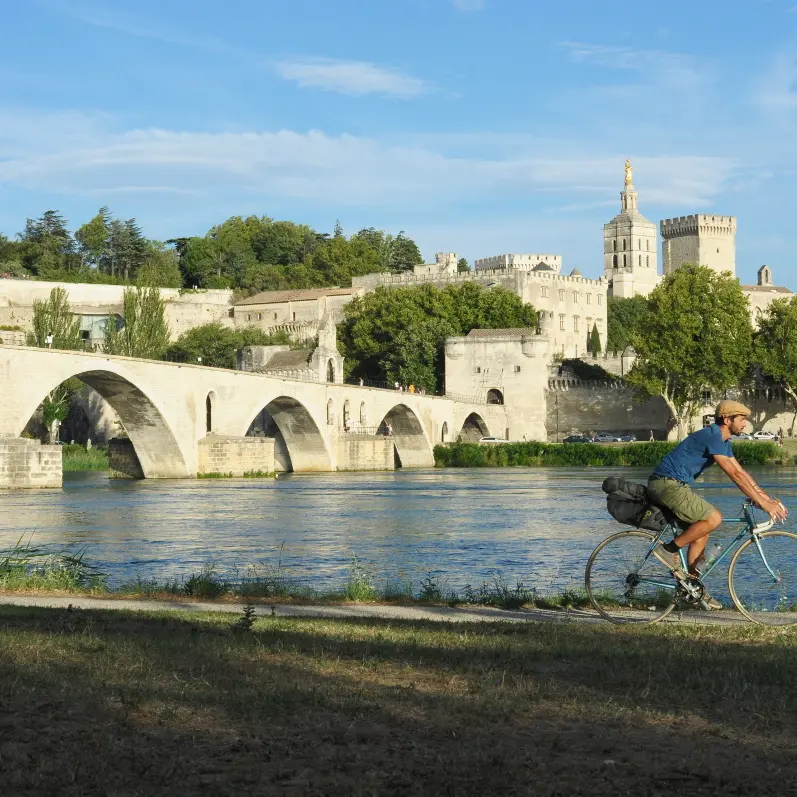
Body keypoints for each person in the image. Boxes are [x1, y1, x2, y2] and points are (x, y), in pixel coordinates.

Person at [647, 400, 788, 609]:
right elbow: (733, 475)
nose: (745, 424)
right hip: (666, 485)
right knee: (714, 518)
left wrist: (766, 499)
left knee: (701, 533)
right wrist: (763, 503)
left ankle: (692, 590)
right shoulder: (713, 435)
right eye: (741, 419)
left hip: (674, 486)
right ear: (726, 419)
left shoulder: (723, 441)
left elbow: (741, 473)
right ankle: (668, 550)